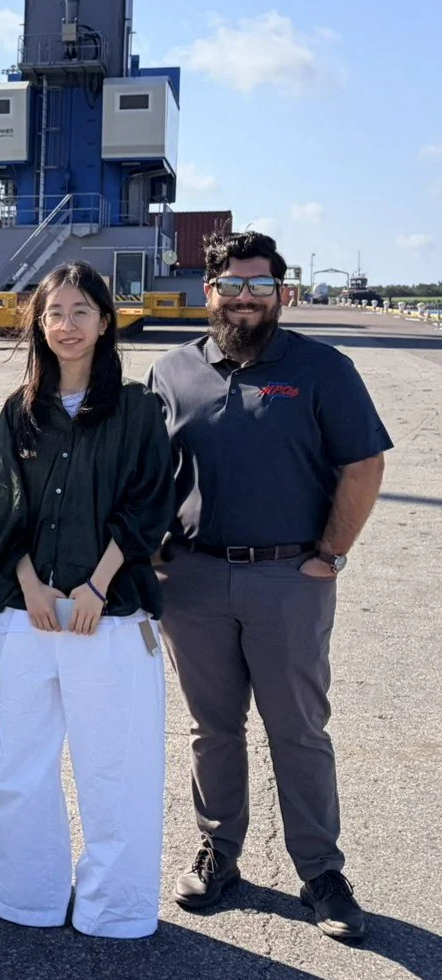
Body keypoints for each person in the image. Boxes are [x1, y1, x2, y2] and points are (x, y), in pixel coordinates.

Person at [146, 231, 391, 942]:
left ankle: (320, 871)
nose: (245, 296)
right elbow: (146, 471)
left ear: (280, 294)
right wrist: (152, 550)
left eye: (259, 284)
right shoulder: (171, 372)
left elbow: (362, 464)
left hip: (289, 576)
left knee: (297, 731)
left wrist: (330, 554)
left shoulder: (321, 368)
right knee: (211, 728)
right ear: (208, 292)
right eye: (232, 284)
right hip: (191, 579)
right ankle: (218, 854)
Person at [0, 262, 174, 939]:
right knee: (16, 767)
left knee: (115, 767)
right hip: (27, 610)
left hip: (111, 612)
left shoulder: (135, 408)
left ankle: (114, 909)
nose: (66, 325)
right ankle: (29, 896)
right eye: (54, 312)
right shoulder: (19, 410)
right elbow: (0, 508)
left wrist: (97, 583)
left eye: (79, 311)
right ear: (38, 323)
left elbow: (149, 502)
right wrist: (32, 584)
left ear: (105, 320)